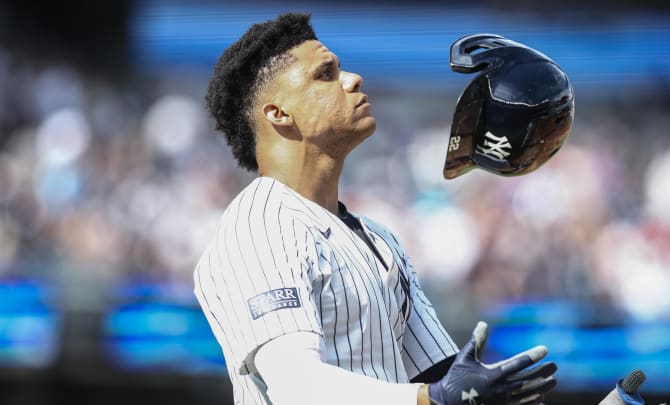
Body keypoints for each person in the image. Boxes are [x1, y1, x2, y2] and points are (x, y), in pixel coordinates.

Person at [194, 12, 557, 405]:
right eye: (325, 74)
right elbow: (294, 385)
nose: (352, 79)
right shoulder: (260, 226)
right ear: (279, 113)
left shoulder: (378, 239)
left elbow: (446, 383)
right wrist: (433, 397)